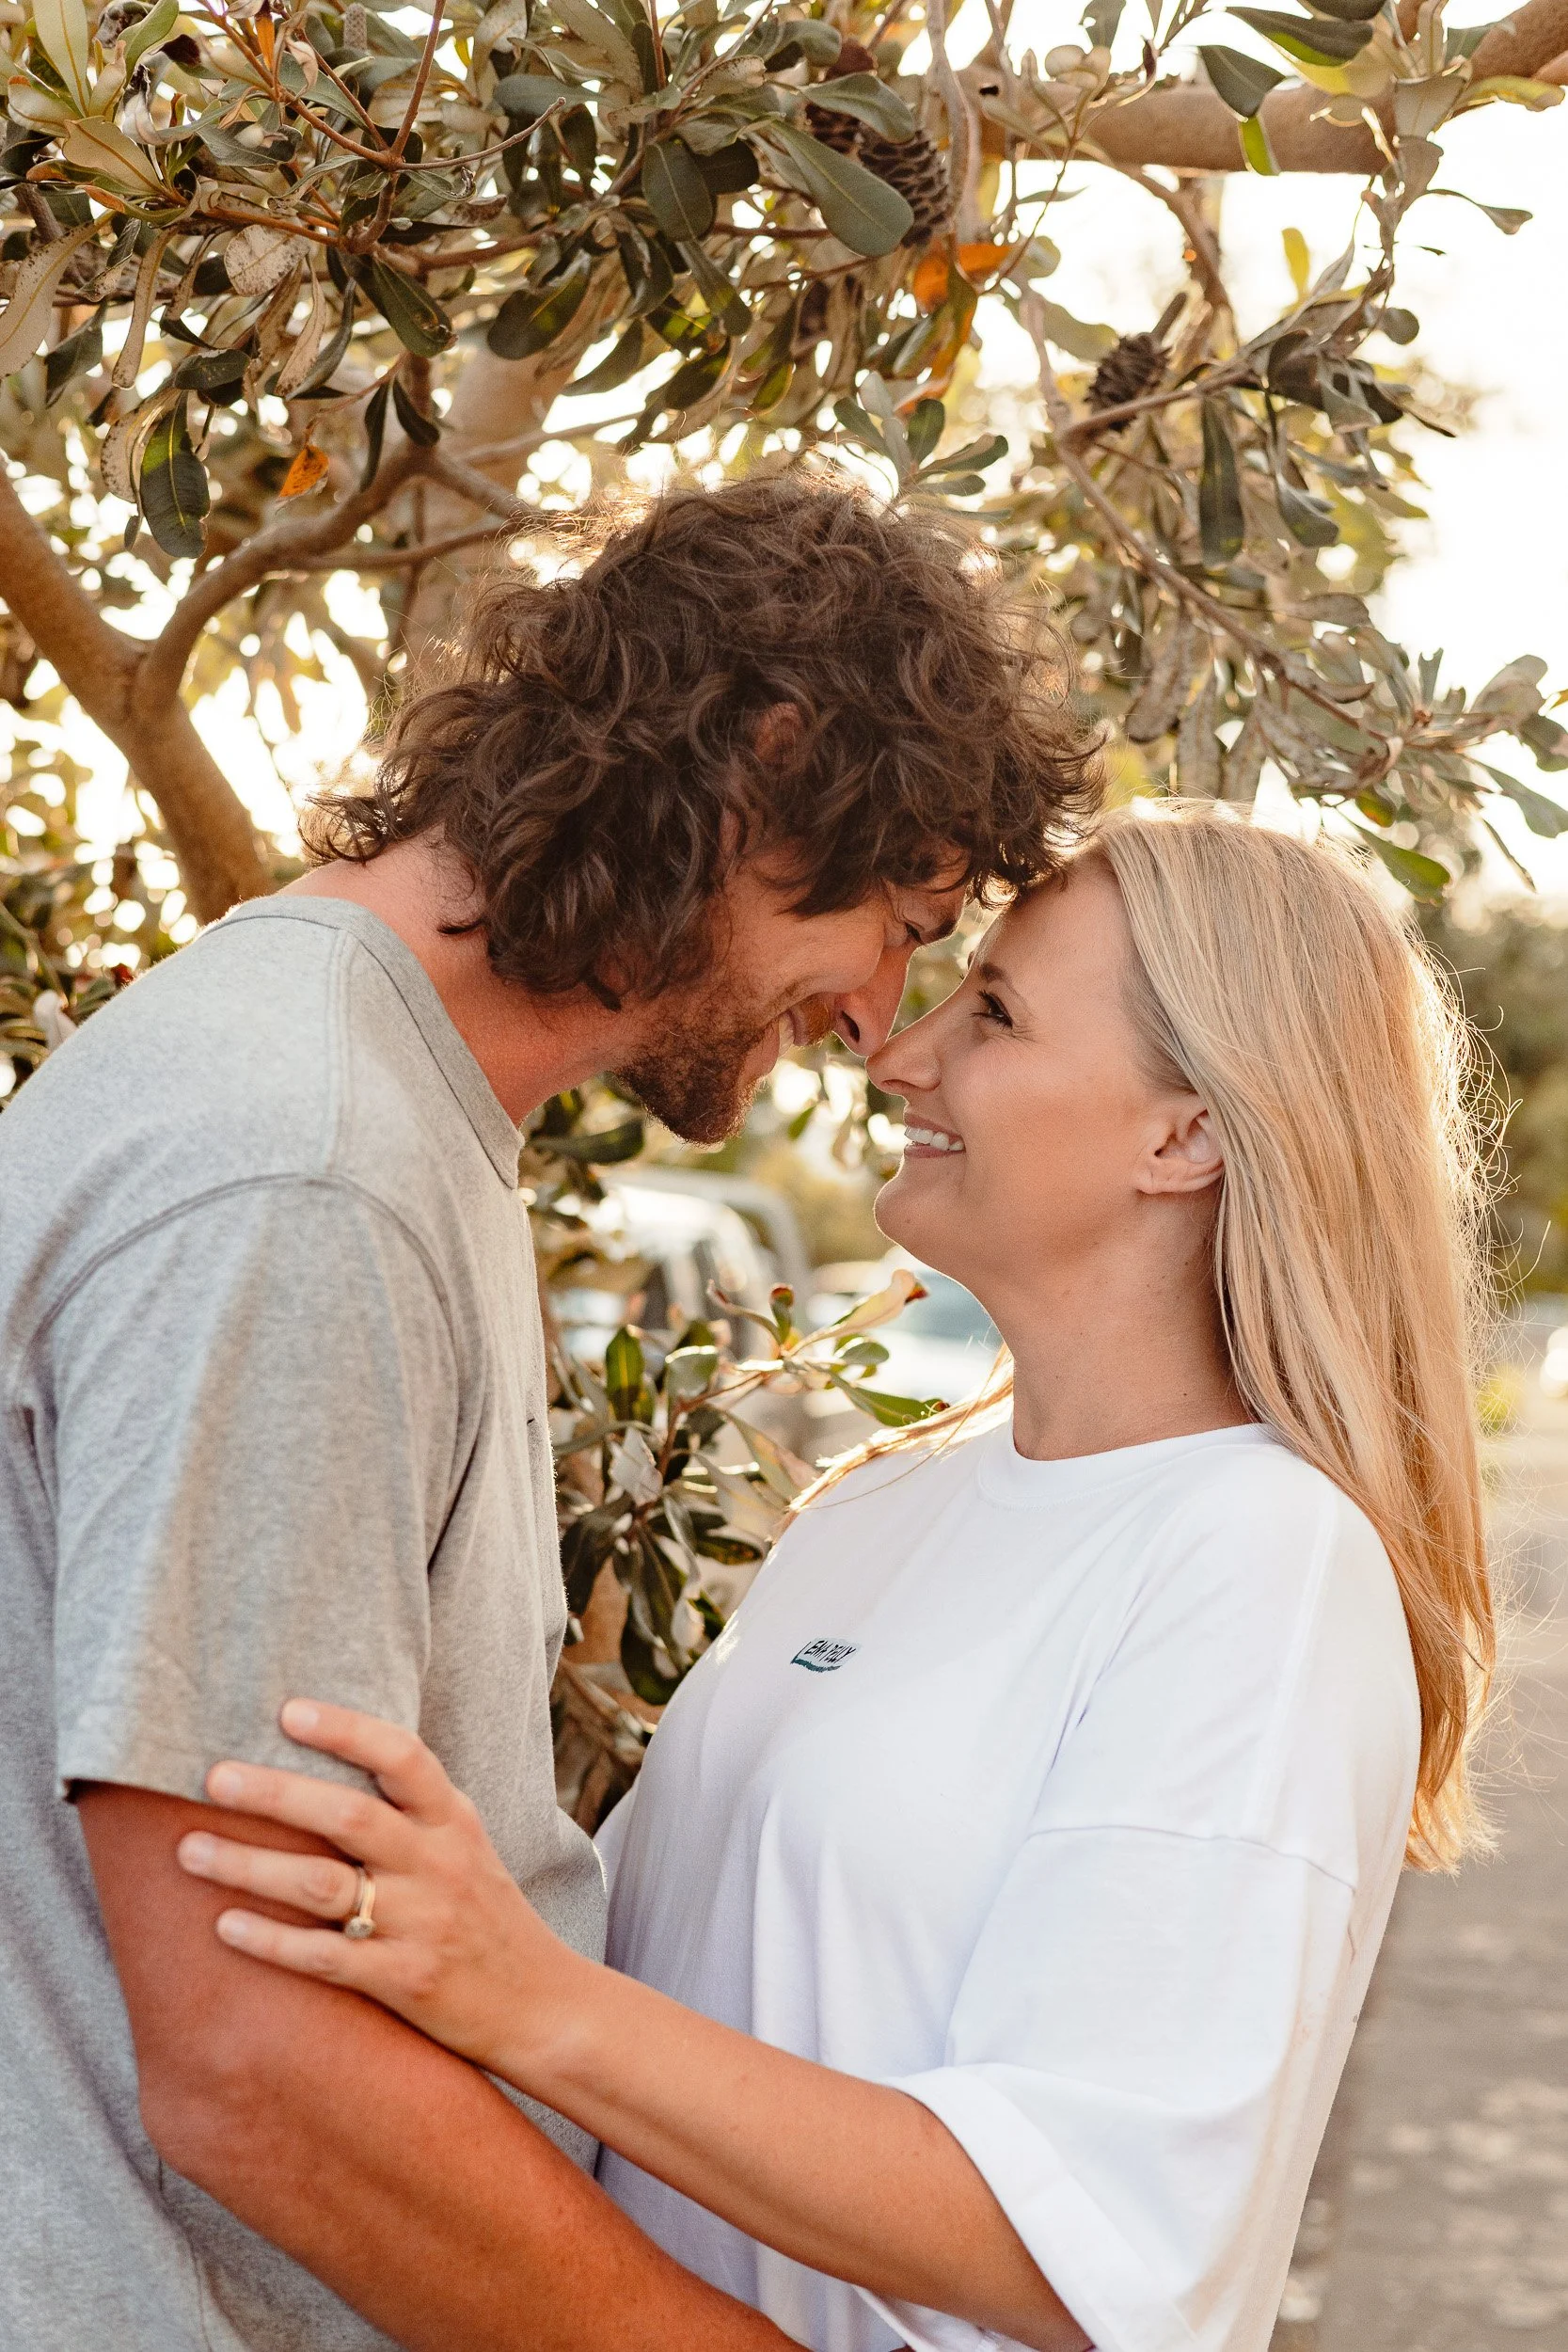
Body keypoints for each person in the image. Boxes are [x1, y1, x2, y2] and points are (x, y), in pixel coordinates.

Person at [0, 477, 1094, 2352]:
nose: (871, 1015)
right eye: (895, 920)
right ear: (763, 769)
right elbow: (251, 2051)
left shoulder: (357, 1106)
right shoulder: (304, 1170)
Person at [178, 803, 1495, 2352]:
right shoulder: (881, 1502)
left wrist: (523, 1993)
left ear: (1186, 1134)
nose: (899, 1056)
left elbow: (1082, 2249)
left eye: (993, 1013)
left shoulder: (1256, 1563)